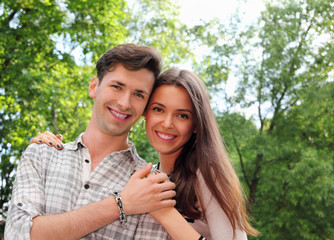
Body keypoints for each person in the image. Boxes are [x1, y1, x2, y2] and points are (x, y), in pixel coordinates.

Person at [30, 68, 259, 239]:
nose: (167, 123)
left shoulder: (208, 176)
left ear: (196, 124)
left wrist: (165, 213)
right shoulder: (145, 178)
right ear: (145, 113)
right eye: (158, 109)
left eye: (182, 115)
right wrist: (51, 149)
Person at [5, 44, 203, 240]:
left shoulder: (150, 185)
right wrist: (121, 204)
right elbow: (18, 233)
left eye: (138, 94)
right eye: (117, 86)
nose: (124, 103)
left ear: (145, 107)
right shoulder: (41, 154)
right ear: (93, 86)